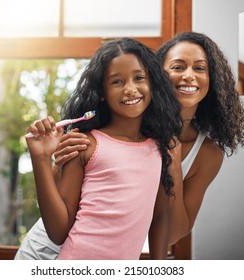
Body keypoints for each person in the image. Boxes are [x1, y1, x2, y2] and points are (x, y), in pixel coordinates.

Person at [15, 32, 244, 259]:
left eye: (199, 68)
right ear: (158, 75)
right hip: (48, 251)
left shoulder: (199, 151)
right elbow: (59, 208)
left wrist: (172, 163)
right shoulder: (111, 129)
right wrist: (52, 162)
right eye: (177, 67)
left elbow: (168, 229)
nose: (188, 76)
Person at [20, 37, 182, 260]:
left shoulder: (161, 148)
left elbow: (161, 217)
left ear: (152, 83)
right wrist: (40, 159)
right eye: (117, 82)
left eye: (139, 78)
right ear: (102, 92)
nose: (130, 89)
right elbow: (58, 233)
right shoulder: (85, 144)